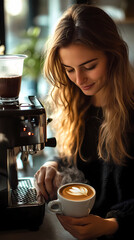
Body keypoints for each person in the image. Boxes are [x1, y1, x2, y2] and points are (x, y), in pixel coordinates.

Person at [34, 4, 134, 240]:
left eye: (89, 67)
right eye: (69, 69)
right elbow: (79, 162)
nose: (79, 80)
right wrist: (55, 165)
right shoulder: (77, 105)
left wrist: (112, 224)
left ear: (114, 56)